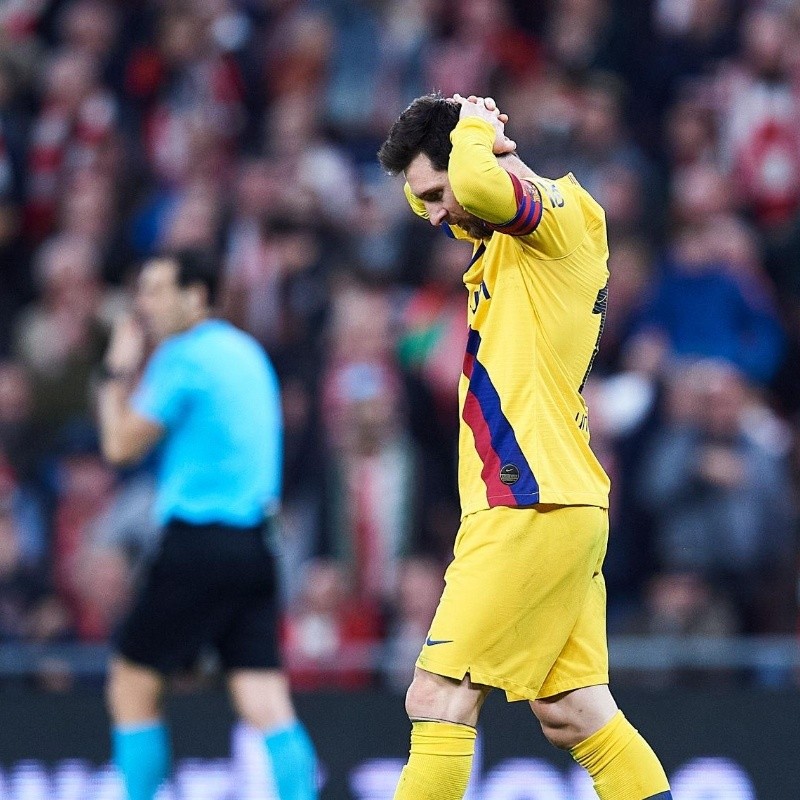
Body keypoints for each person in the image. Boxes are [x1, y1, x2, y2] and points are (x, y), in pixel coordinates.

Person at [377, 93, 673, 800]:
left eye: (435, 193)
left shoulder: (566, 215)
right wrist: (459, 161)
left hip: (527, 503)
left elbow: (479, 185)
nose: (437, 214)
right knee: (575, 712)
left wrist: (478, 128)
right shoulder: (507, 242)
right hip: (547, 500)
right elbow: (466, 194)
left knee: (438, 696)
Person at [97, 249, 317, 800]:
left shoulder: (184, 355)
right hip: (255, 548)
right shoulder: (247, 352)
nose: (143, 304)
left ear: (196, 295)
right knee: (263, 697)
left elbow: (119, 446)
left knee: (131, 687)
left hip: (198, 545)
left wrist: (114, 371)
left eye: (155, 289)